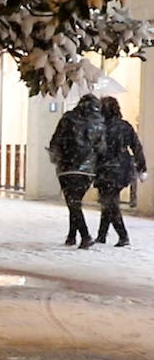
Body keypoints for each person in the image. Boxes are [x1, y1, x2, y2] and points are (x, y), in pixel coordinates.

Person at [45, 93, 104, 249]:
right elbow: (101, 148)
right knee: (75, 201)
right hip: (88, 170)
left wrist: (56, 153)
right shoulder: (99, 122)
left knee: (73, 202)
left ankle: (85, 236)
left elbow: (56, 139)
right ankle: (72, 235)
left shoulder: (68, 118)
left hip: (67, 166)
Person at [95, 96, 148, 246]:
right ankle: (101, 235)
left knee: (109, 203)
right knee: (109, 200)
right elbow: (136, 147)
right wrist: (142, 167)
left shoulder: (99, 127)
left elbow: (94, 149)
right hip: (122, 169)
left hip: (105, 169)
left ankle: (123, 236)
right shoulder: (125, 126)